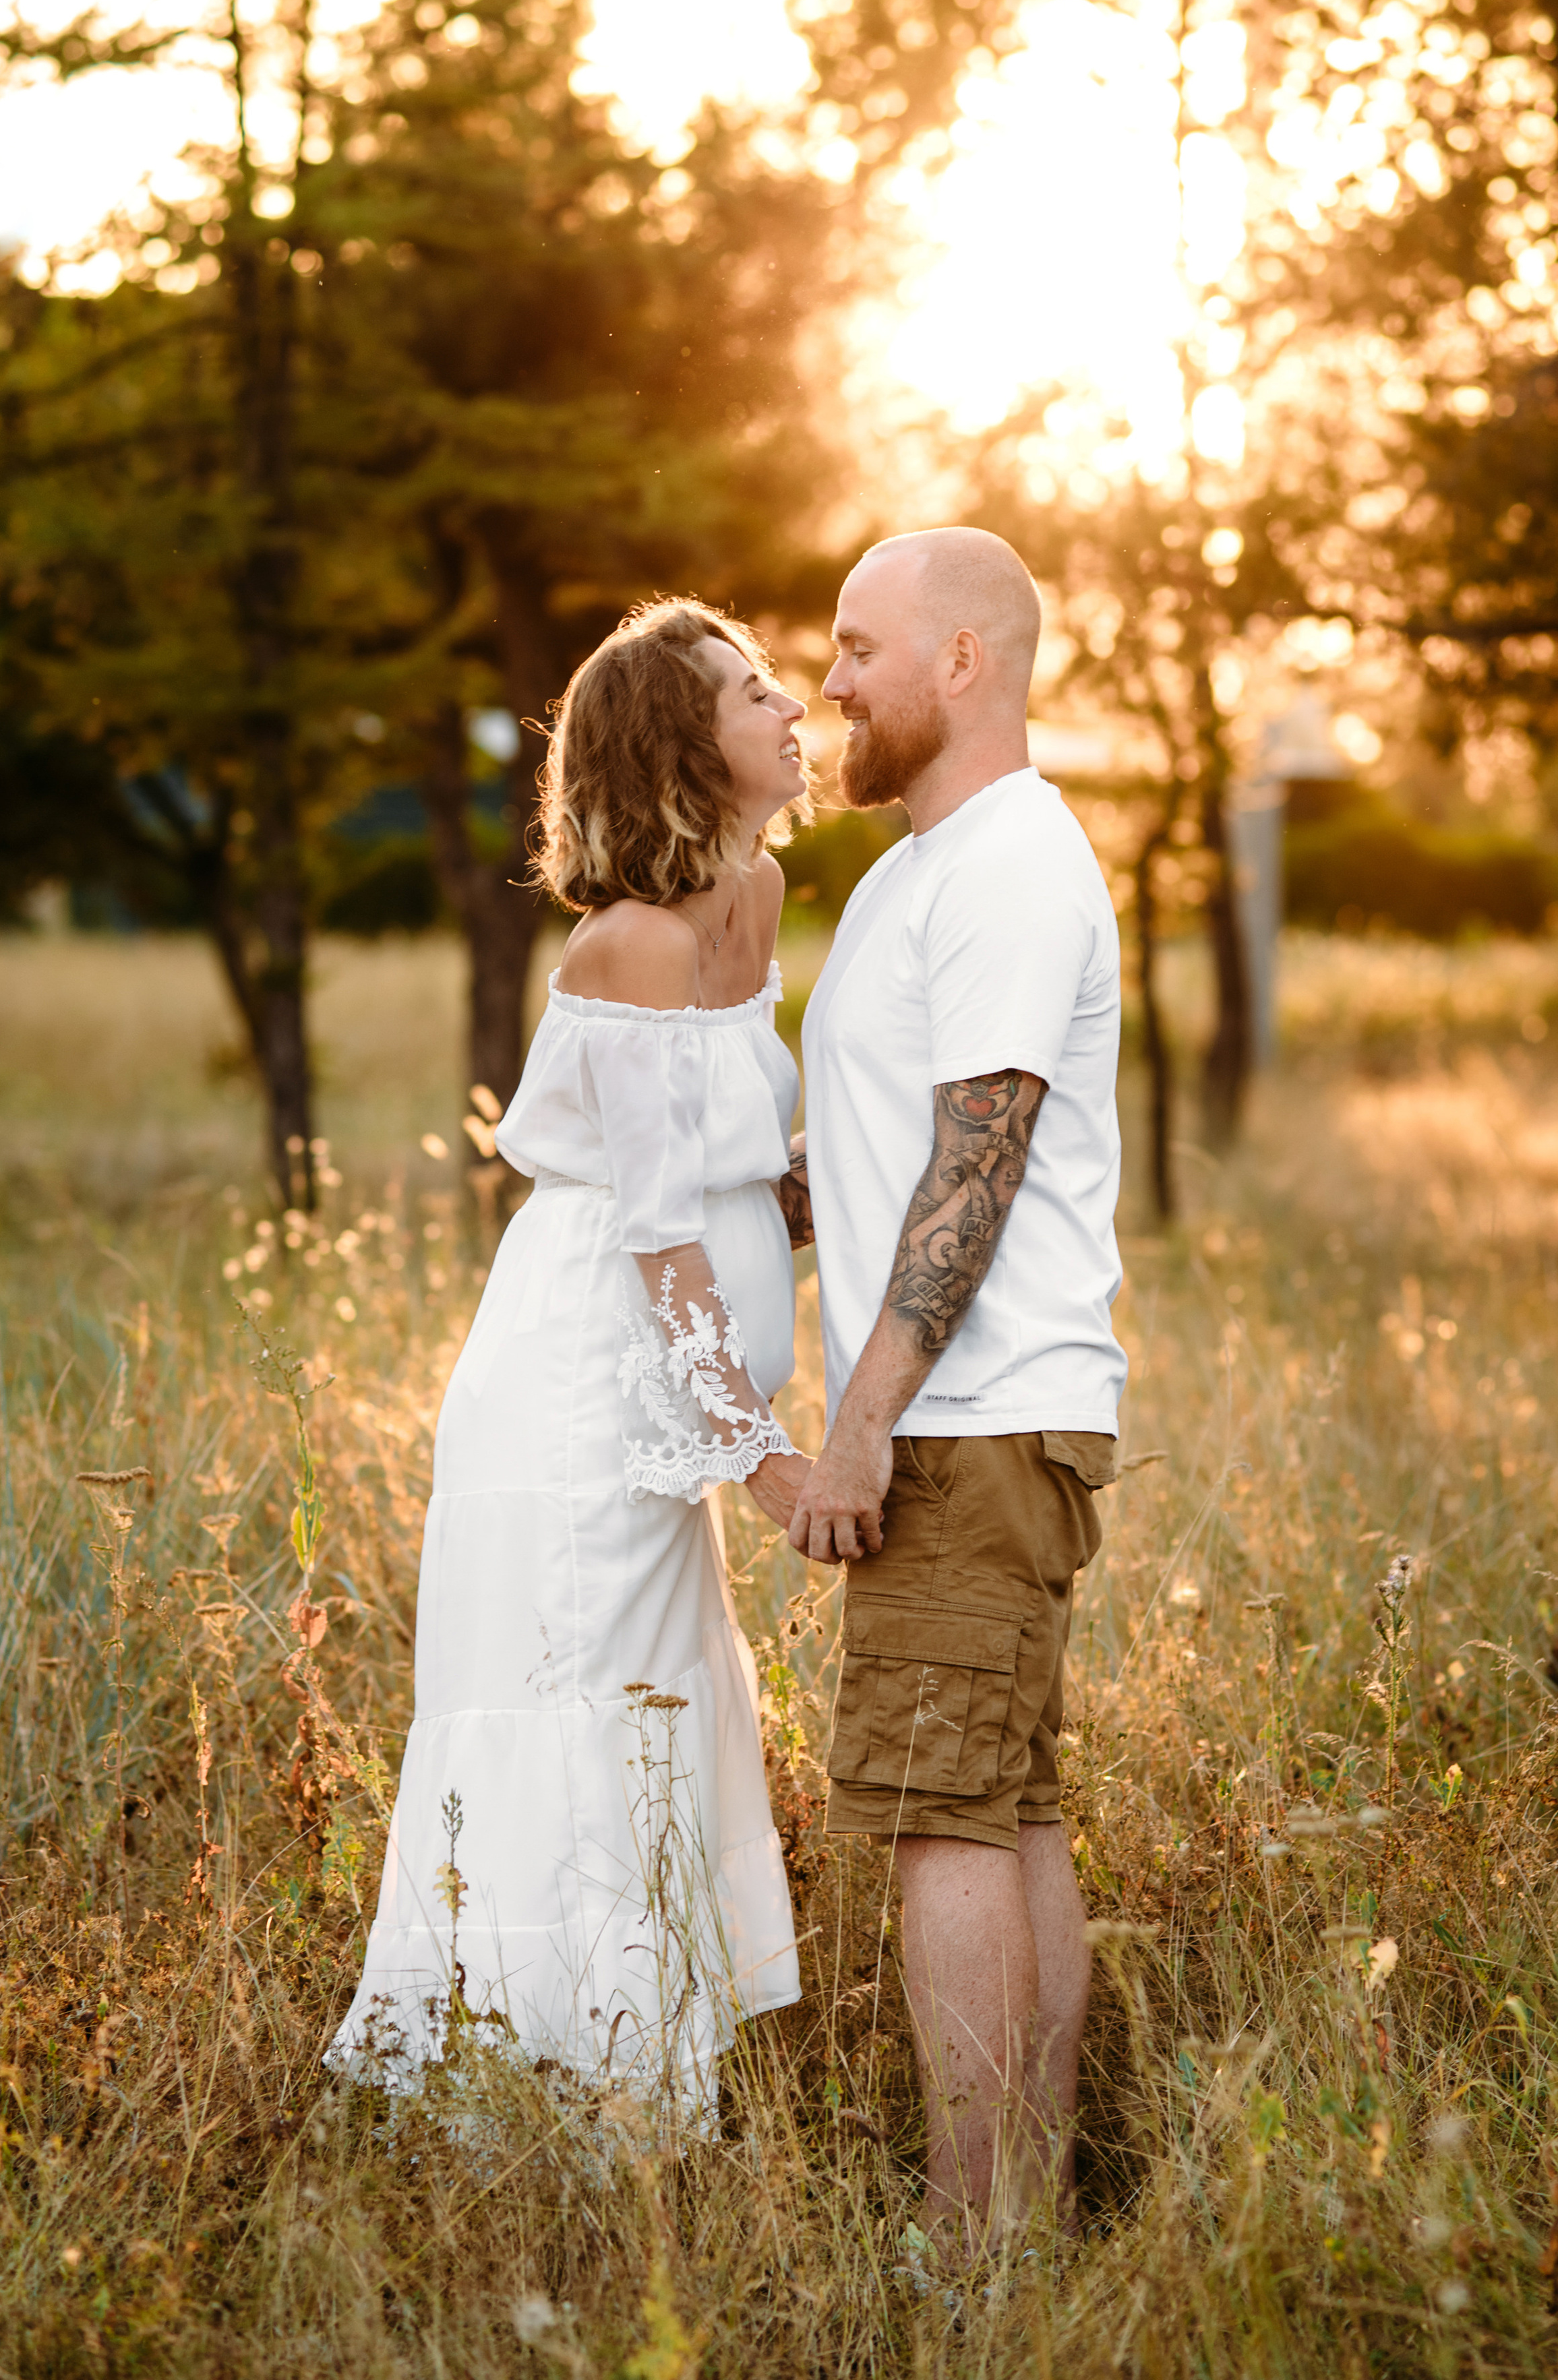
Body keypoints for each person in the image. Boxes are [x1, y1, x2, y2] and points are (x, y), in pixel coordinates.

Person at [329, 598, 813, 2100]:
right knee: (579, 1689)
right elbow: (657, 1234)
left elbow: (735, 1171)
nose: (792, 704)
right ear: (682, 741)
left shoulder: (763, 891)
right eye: (752, 693)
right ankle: (539, 2082)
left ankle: (645, 2063)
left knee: (663, 1691)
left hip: (663, 1373)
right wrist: (759, 1455)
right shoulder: (632, 943)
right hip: (582, 1383)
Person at [783, 527, 1127, 2245]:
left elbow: (968, 1175)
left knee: (937, 1821)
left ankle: (972, 2247)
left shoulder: (1004, 865)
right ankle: (1024, 2230)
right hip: (977, 1413)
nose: (828, 679)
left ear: (962, 663)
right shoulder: (908, 872)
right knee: (1000, 1810)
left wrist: (857, 1427)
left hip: (966, 1421)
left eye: (857, 647)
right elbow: (861, 1153)